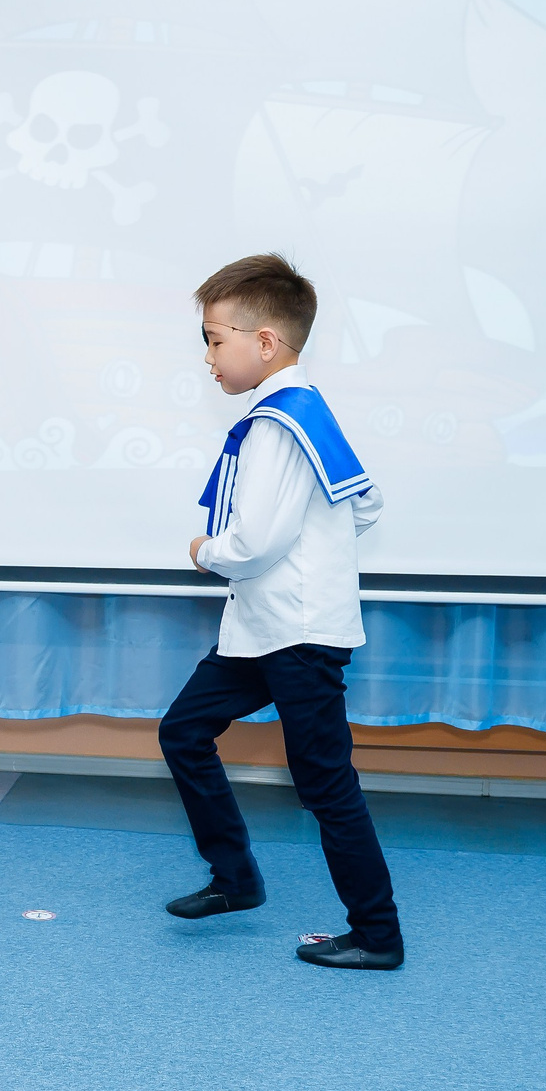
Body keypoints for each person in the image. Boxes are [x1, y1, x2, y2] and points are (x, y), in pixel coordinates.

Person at [156, 253, 404, 969]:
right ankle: (235, 878)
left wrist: (208, 550)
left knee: (325, 782)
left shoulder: (277, 423)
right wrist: (315, 550)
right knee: (184, 730)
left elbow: (257, 539)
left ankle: (378, 935)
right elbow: (365, 502)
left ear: (265, 342)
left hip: (294, 634)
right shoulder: (302, 409)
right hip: (264, 629)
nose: (207, 355)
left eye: (213, 337)